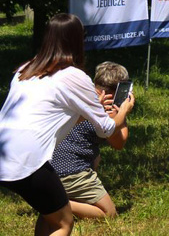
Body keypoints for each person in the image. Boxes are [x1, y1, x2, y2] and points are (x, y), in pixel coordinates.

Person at [0, 14, 134, 236]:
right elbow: (107, 129)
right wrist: (125, 110)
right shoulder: (74, 75)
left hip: (5, 151)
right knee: (63, 223)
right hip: (29, 160)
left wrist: (88, 110)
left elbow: (52, 114)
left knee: (51, 213)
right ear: (77, 41)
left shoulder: (26, 69)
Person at [50, 62, 131, 220]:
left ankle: (64, 196)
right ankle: (54, 203)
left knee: (96, 157)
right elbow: (119, 143)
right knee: (109, 214)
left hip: (49, 168)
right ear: (118, 90)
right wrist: (122, 112)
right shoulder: (105, 111)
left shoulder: (78, 94)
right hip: (71, 171)